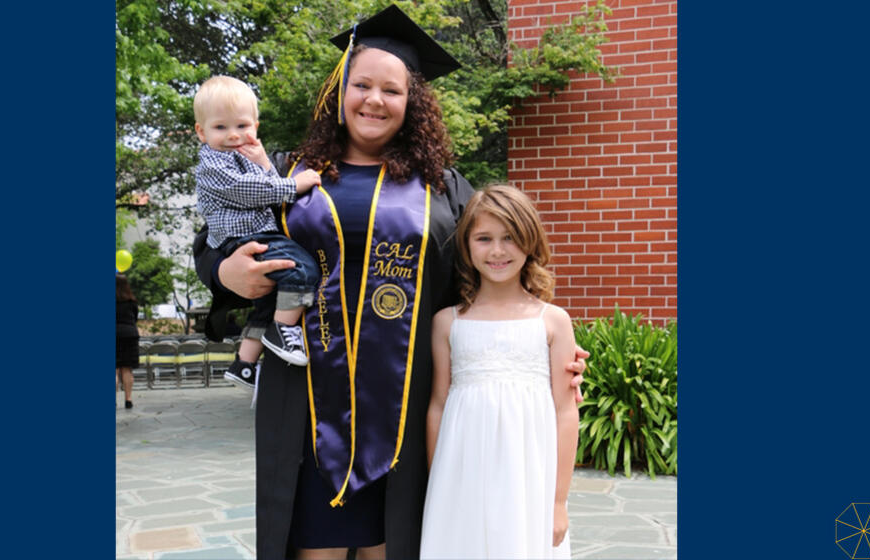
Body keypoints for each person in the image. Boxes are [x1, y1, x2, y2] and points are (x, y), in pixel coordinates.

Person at [193, 6, 587, 558]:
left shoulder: (441, 187)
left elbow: (486, 267)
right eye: (362, 85)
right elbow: (215, 237)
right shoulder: (284, 173)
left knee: (394, 542)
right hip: (305, 391)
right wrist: (225, 272)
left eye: (392, 90)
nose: (374, 100)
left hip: (407, 393)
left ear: (412, 103)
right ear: (340, 91)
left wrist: (539, 337)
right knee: (312, 544)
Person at [420, 185, 578, 558]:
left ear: (530, 241)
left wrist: (558, 501)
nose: (497, 251)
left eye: (510, 238)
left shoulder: (553, 322)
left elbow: (565, 411)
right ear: (467, 246)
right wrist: (437, 480)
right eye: (484, 238)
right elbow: (438, 405)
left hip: (529, 477)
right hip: (461, 477)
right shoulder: (447, 323)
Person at [193, 75, 325, 392]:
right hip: (246, 238)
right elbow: (250, 192)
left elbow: (261, 182)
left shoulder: (246, 156)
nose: (233, 135)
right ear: (201, 132)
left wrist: (264, 162)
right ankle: (282, 330)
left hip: (254, 235)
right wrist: (295, 184)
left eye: (241, 126)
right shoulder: (216, 162)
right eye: (220, 128)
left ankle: (245, 364)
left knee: (268, 303)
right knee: (303, 271)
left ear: (256, 125)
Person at [116, 274, 140, 409]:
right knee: (127, 369)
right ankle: (128, 399)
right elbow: (135, 318)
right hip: (130, 334)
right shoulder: (132, 302)